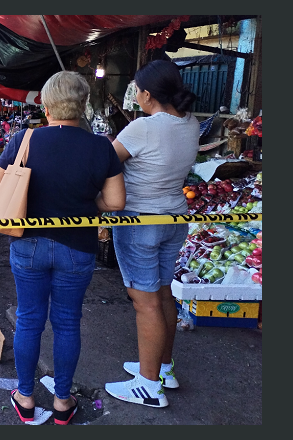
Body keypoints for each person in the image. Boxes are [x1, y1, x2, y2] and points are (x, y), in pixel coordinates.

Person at [0, 71, 125, 425]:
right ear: (82, 107)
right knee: (67, 323)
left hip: (29, 244)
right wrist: (85, 199)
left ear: (47, 107)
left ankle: (26, 397)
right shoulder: (100, 146)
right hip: (78, 248)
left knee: (29, 319)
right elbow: (115, 202)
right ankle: (63, 402)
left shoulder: (25, 139)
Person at [104, 59, 199, 409]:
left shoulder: (142, 127)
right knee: (162, 296)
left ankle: (147, 386)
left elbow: (107, 163)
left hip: (140, 223)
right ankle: (162, 368)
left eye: (136, 90)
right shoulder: (190, 122)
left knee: (145, 304)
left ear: (146, 94)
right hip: (174, 219)